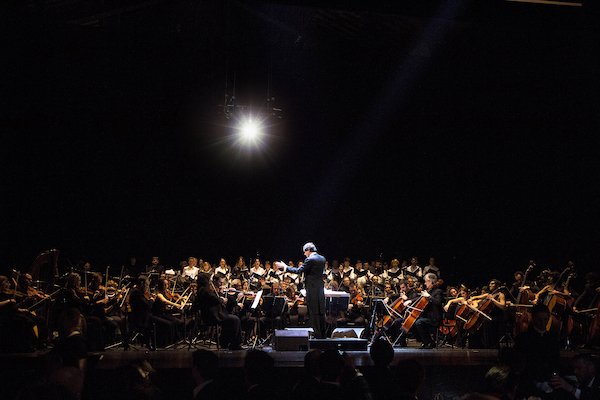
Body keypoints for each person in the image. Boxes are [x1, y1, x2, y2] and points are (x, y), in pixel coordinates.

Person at [275, 242, 327, 339]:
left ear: (308, 250)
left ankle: (317, 336)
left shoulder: (310, 259)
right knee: (321, 312)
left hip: (312, 289)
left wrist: (285, 267)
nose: (304, 254)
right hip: (320, 289)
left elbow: (299, 271)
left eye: (304, 252)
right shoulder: (322, 259)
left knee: (313, 312)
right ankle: (323, 336)